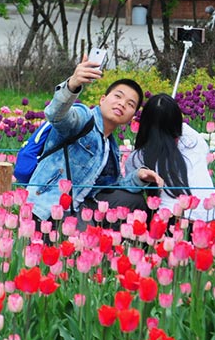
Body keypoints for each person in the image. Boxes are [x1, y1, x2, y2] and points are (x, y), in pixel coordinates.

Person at [25, 54, 163, 233]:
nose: (122, 104)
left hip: (77, 208)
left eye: (130, 104)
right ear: (102, 99)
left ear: (131, 117)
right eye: (118, 96)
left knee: (133, 201)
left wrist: (139, 177)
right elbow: (56, 115)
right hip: (48, 205)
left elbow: (110, 188)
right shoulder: (83, 118)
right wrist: (73, 84)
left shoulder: (110, 147)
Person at [124, 94, 215, 223]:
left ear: (144, 124)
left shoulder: (139, 157)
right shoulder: (195, 142)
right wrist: (168, 114)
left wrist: (159, 117)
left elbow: (129, 185)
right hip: (210, 217)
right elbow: (182, 129)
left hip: (171, 222)